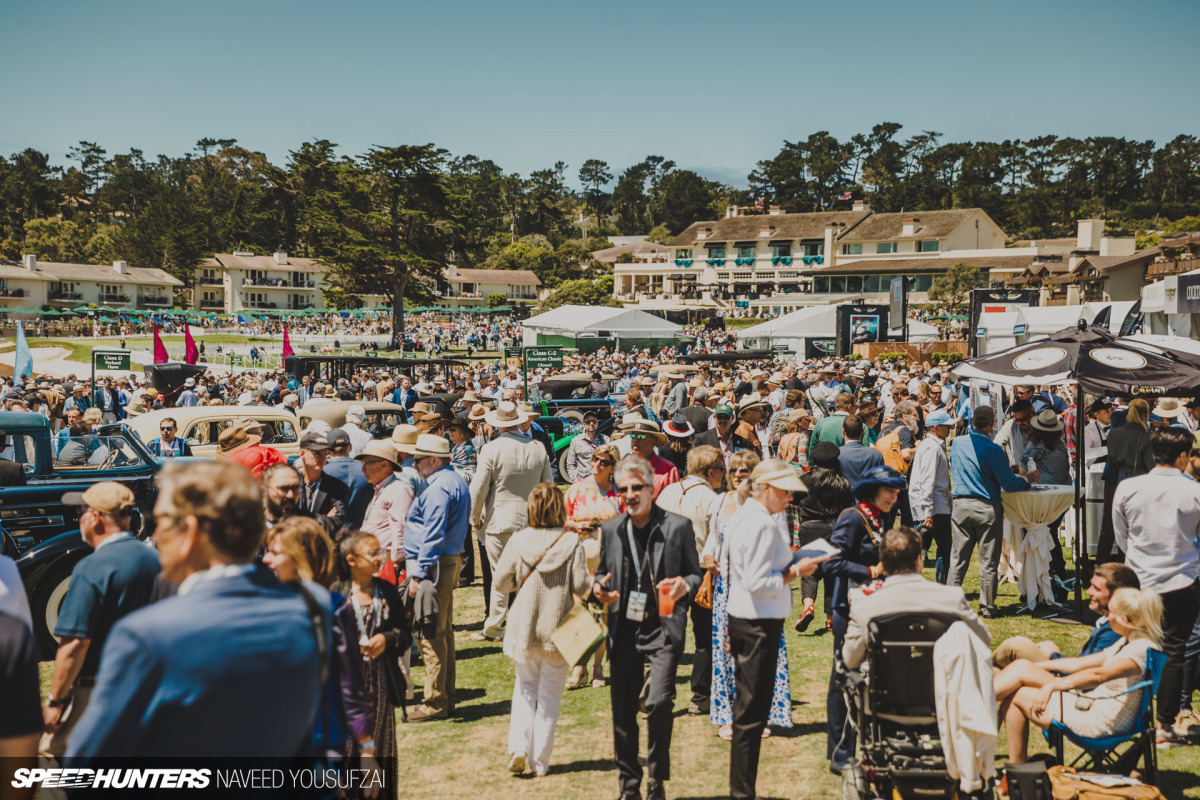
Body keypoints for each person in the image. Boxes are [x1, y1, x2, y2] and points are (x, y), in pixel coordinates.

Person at [64, 460, 327, 759]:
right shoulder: (314, 606)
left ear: (188, 532)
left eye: (161, 521)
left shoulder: (146, 635)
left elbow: (86, 763)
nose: (156, 536)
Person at [592, 454, 702, 800]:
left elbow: (695, 573)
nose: (630, 495)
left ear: (651, 489)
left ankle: (656, 776)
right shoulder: (611, 529)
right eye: (623, 489)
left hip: (663, 628)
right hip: (623, 630)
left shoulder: (677, 526)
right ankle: (629, 787)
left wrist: (686, 584)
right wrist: (599, 590)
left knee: (659, 702)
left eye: (637, 488)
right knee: (623, 712)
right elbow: (601, 576)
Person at [723, 459, 827, 800]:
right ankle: (742, 791)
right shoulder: (761, 524)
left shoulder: (743, 516)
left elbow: (738, 573)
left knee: (748, 712)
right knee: (751, 715)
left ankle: (743, 789)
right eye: (784, 491)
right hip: (757, 624)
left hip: (745, 619)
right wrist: (799, 571)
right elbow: (757, 581)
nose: (788, 499)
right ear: (766, 488)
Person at [40, 483, 161, 760]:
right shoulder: (157, 561)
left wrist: (55, 702)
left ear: (95, 518)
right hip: (150, 687)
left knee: (48, 758)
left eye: (81, 512)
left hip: (100, 689)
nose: (79, 519)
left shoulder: (91, 568)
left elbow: (74, 645)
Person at [264, 519, 381, 793]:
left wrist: (365, 747)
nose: (266, 559)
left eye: (276, 552)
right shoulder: (261, 605)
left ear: (300, 557)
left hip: (321, 743)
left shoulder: (331, 608)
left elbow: (350, 682)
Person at [994, 587, 1163, 762]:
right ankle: (1016, 772)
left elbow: (1099, 674)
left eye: (1110, 612)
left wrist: (1052, 685)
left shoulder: (1138, 651)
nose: (1106, 616)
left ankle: (1016, 769)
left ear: (1124, 619)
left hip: (1101, 720)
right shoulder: (1133, 641)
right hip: (1095, 705)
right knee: (1022, 667)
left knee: (1016, 696)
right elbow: (1079, 664)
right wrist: (1036, 666)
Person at [494, 483, 592, 778]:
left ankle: (519, 748)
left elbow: (500, 582)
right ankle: (540, 760)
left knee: (524, 689)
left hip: (523, 625)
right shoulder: (571, 542)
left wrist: (520, 585)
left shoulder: (519, 539)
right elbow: (581, 586)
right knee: (549, 695)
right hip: (557, 628)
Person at [1113, 426, 1200, 745]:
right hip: (1181, 580)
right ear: (1182, 456)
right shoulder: (1194, 492)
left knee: (1135, 647)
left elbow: (1120, 534)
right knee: (1174, 652)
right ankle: (1164, 725)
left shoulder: (1129, 488)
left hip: (1140, 580)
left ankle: (1127, 716)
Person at [823, 464, 906, 772]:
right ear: (872, 490)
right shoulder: (851, 518)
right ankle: (840, 753)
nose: (895, 498)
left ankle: (876, 747)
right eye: (890, 491)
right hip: (849, 611)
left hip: (876, 607)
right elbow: (830, 564)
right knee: (844, 680)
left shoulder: (881, 517)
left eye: (897, 493)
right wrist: (870, 571)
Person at [842, 525, 990, 671]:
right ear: (919, 560)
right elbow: (983, 639)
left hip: (884, 689)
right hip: (941, 687)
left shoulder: (865, 606)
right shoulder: (952, 598)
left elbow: (850, 659)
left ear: (883, 564)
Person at [330, 530, 407, 797]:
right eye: (372, 553)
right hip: (345, 688)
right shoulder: (337, 593)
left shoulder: (386, 590)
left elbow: (405, 633)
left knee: (382, 748)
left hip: (381, 684)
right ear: (351, 559)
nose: (379, 558)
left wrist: (386, 639)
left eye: (380, 552)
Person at [403, 434, 471, 722]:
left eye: (418, 459)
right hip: (447, 561)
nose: (414, 464)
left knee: (430, 633)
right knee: (443, 632)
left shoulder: (438, 488)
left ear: (433, 460)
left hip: (435, 565)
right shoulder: (453, 481)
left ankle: (434, 701)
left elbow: (432, 535)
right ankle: (446, 697)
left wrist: (418, 574)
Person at [471, 401, 553, 642]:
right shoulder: (538, 447)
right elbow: (548, 488)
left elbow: (478, 488)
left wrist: (474, 518)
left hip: (500, 521)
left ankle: (495, 626)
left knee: (500, 577)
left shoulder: (491, 449)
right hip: (532, 521)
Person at [656, 445, 725, 716]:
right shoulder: (712, 499)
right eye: (722, 469)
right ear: (710, 472)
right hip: (701, 574)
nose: (724, 474)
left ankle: (656, 688)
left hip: (665, 573)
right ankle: (699, 696)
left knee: (665, 635)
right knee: (705, 638)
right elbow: (714, 540)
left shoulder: (667, 492)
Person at [948, 405, 1036, 618]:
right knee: (988, 561)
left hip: (961, 505)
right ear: (991, 424)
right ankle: (987, 606)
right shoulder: (993, 449)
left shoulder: (957, 444)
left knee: (957, 559)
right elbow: (1008, 483)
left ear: (972, 421)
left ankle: (949, 605)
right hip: (987, 507)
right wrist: (1027, 481)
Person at [705, 451, 764, 739]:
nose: (738, 475)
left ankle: (756, 714)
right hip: (725, 590)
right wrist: (707, 556)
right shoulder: (720, 501)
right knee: (725, 654)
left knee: (754, 653)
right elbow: (712, 539)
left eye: (744, 470)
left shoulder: (762, 504)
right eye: (734, 471)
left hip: (755, 589)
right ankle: (727, 715)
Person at [993, 562, 1140, 668]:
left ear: (1116, 595)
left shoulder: (1115, 630)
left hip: (1072, 684)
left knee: (1016, 646)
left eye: (1096, 588)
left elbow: (1087, 673)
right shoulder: (1109, 622)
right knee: (997, 671)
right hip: (1069, 673)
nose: (1088, 592)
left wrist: (1053, 655)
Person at [563, 442, 622, 690]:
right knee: (579, 616)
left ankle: (597, 667)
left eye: (603, 462)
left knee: (601, 616)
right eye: (595, 459)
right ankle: (579, 668)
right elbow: (562, 520)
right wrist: (577, 526)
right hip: (579, 559)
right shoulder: (577, 489)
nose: (596, 464)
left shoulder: (619, 493)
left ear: (613, 467)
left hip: (606, 561)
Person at [793, 442, 853, 634]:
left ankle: (808, 606)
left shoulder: (804, 480)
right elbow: (849, 506)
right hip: (836, 527)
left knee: (809, 571)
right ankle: (830, 619)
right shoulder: (843, 482)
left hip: (810, 527)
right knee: (832, 573)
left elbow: (793, 499)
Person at [1102, 397, 1154, 562]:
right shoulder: (1144, 436)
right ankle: (1127, 564)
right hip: (1138, 482)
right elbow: (1151, 465)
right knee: (1134, 527)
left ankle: (1100, 564)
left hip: (1116, 479)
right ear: (1145, 414)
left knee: (1111, 525)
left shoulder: (1115, 433)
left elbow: (1112, 459)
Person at [909, 408, 954, 584]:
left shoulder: (932, 445)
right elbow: (927, 481)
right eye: (946, 426)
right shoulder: (932, 448)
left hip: (934, 505)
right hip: (934, 507)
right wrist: (928, 511)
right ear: (936, 427)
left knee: (932, 549)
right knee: (944, 549)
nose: (950, 429)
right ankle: (941, 585)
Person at [297, 430, 350, 534]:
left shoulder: (337, 487)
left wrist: (301, 521)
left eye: (325, 454)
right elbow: (285, 518)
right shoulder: (291, 484)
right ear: (302, 453)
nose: (322, 458)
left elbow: (338, 522)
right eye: (317, 453)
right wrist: (323, 519)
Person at [323, 429, 374, 531]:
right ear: (350, 447)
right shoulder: (367, 472)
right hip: (361, 533)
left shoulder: (322, 473)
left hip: (331, 532)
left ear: (328, 450)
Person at [622, 417, 680, 499]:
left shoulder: (669, 471)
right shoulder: (621, 464)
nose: (635, 439)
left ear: (653, 441)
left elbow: (673, 502)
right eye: (633, 435)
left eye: (641, 436)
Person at [694, 402, 751, 468]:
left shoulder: (743, 442)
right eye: (719, 417)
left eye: (726, 417)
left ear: (732, 418)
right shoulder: (702, 440)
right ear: (714, 417)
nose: (723, 420)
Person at [837, 414, 884, 486]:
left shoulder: (837, 454)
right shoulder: (876, 455)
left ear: (843, 432)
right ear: (862, 432)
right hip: (868, 495)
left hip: (845, 496)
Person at [564, 409, 607, 482]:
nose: (591, 423)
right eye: (588, 421)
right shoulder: (576, 441)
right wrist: (576, 480)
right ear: (583, 424)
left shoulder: (606, 440)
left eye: (594, 421)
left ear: (597, 423)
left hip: (601, 481)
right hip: (583, 481)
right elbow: (570, 464)